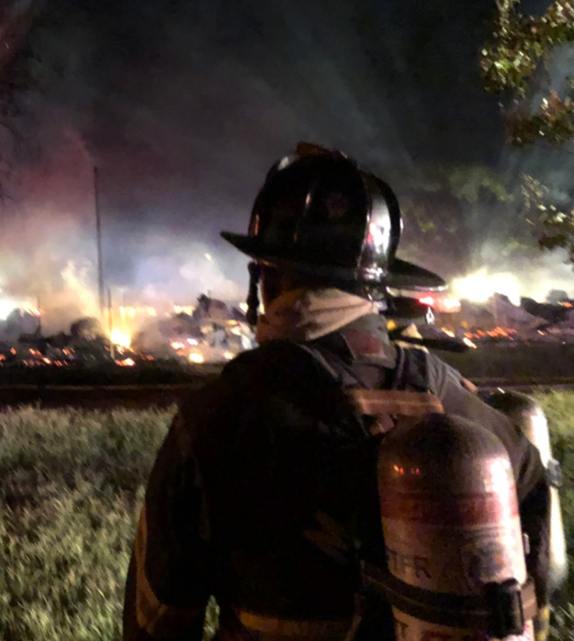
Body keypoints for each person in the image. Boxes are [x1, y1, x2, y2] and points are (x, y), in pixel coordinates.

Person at [122, 144, 553, 641]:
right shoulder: (449, 393)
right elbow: (538, 554)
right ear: (379, 285)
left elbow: (156, 619)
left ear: (265, 275)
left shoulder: (221, 414)